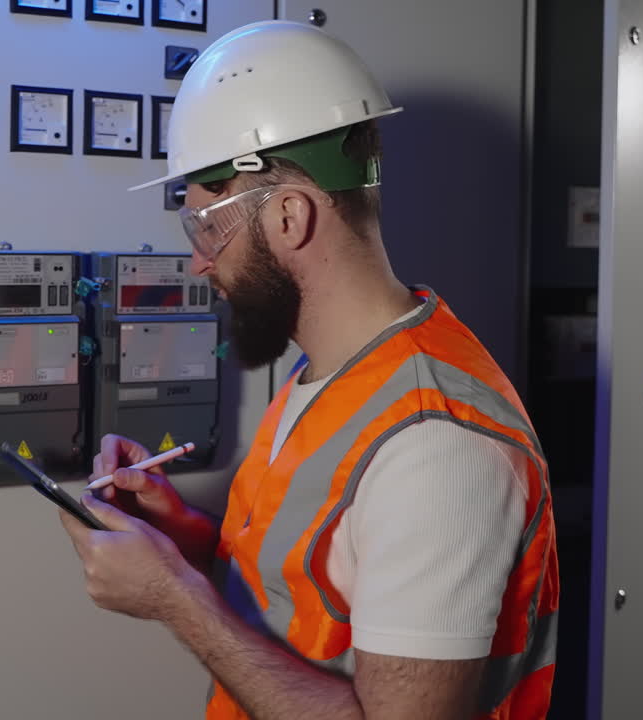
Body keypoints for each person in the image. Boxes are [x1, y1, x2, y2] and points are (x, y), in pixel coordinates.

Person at [59, 20, 558, 720]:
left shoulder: (436, 447)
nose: (200, 262)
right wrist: (185, 542)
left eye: (208, 228)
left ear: (290, 216)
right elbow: (312, 590)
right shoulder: (336, 375)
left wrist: (174, 596)